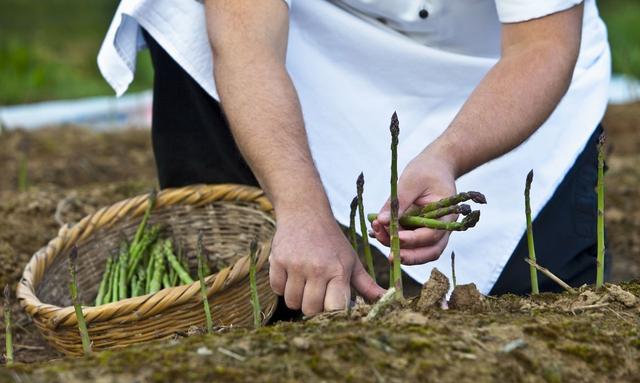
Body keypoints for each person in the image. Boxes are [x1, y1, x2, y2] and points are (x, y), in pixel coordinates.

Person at [98, 0, 611, 316]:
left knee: (535, 296)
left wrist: (448, 157)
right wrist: (300, 209)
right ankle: (248, 259)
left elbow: (540, 45)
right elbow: (245, 37)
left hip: (488, 72)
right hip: (313, 41)